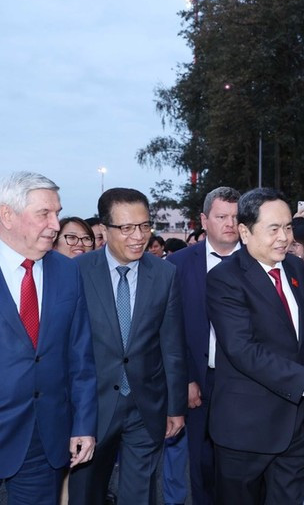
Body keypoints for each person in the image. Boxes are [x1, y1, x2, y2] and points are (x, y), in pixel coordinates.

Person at [206, 187, 304, 505]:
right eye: (273, 229)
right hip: (245, 430)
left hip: (294, 427)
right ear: (245, 232)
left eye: (288, 227)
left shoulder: (294, 270)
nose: (284, 237)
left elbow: (302, 343)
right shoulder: (225, 278)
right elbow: (243, 350)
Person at [0, 172, 97, 502]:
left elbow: (80, 357)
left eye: (57, 213)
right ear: (7, 215)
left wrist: (84, 424)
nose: (55, 224)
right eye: (44, 213)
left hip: (44, 439)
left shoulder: (67, 271)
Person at [68, 188, 187, 505]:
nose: (139, 236)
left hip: (144, 405)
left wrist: (175, 407)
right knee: (86, 492)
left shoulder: (165, 273)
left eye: (145, 226)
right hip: (91, 407)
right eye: (127, 228)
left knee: (139, 494)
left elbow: (172, 345)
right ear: (104, 230)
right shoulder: (76, 272)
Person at [164, 186, 241, 505]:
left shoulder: (258, 261)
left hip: (247, 382)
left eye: (236, 217)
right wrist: (185, 379)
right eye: (221, 216)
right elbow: (170, 328)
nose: (230, 224)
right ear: (204, 220)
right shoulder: (178, 264)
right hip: (200, 380)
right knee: (202, 463)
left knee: (241, 466)